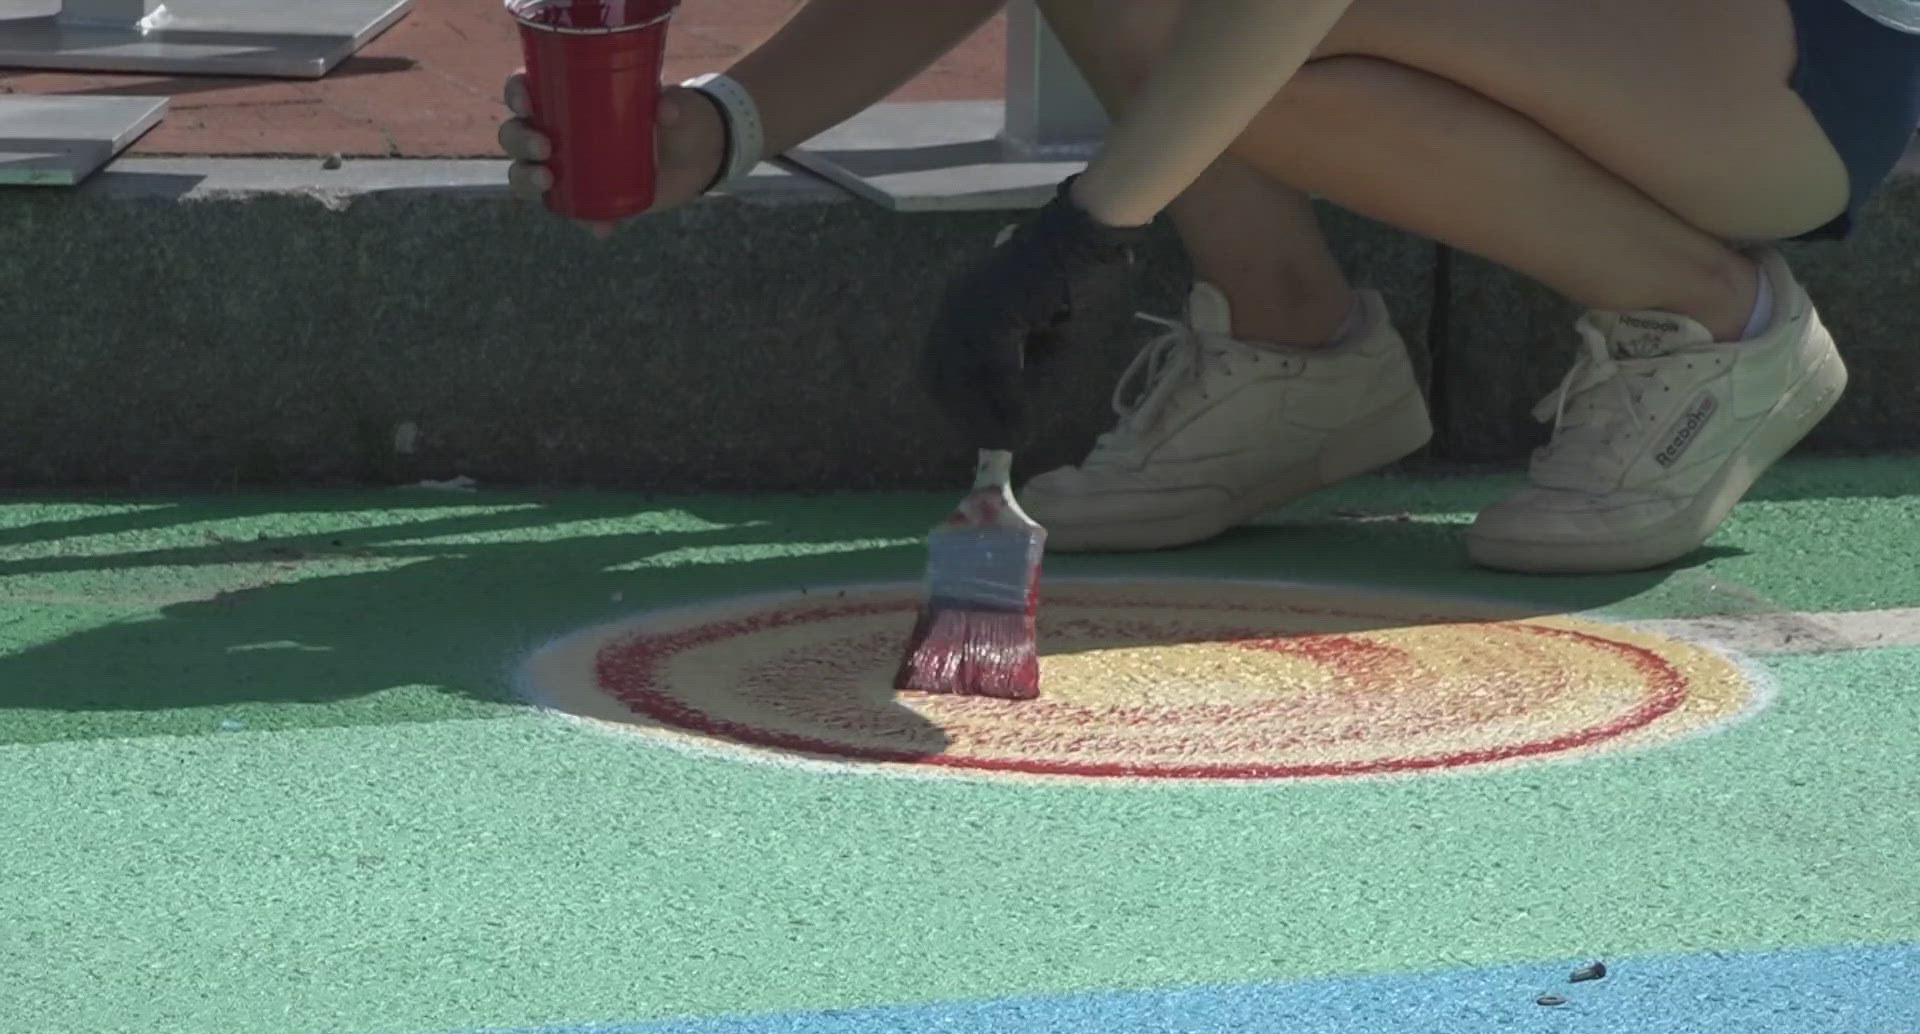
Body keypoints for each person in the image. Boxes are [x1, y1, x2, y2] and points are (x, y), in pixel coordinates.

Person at [500, 0, 1920, 574]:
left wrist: (1088, 228)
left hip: (1800, 67)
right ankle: (1296, 351)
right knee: (1206, 36)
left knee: (1233, 31)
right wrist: (737, 123)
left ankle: (1715, 324)